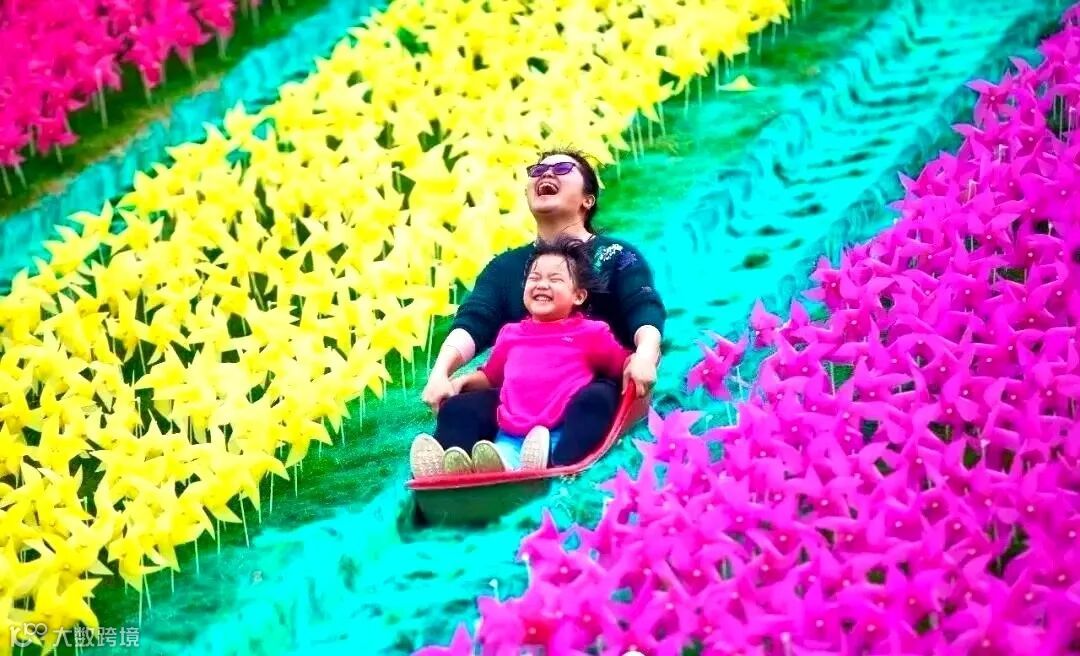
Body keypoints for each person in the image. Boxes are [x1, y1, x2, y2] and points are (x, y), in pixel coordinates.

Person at [411, 148, 666, 475]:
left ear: (587, 200)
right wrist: (442, 374)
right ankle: (452, 472)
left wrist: (644, 356)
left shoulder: (616, 256)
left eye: (562, 169)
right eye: (537, 170)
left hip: (599, 389)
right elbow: (474, 321)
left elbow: (642, 308)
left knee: (593, 401)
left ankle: (557, 467)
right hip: (524, 395)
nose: (546, 174)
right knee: (461, 409)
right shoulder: (505, 267)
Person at [411, 237, 632, 475]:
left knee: (541, 448)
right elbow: (492, 377)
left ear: (578, 296)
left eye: (555, 279)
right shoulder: (511, 334)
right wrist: (461, 382)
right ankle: (456, 469)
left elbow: (619, 366)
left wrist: (638, 361)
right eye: (534, 278)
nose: (542, 285)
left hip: (555, 428)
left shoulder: (591, 333)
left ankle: (541, 463)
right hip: (510, 430)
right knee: (499, 454)